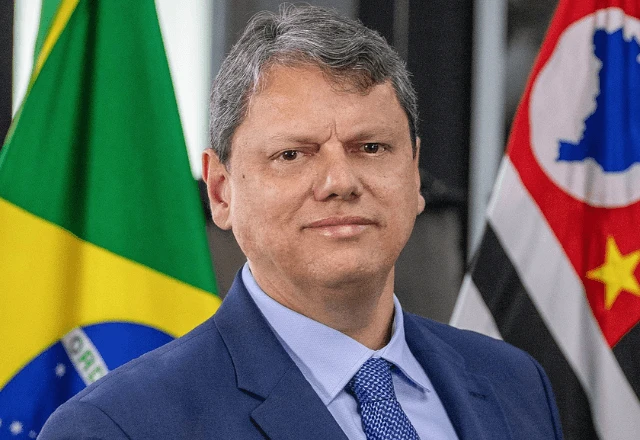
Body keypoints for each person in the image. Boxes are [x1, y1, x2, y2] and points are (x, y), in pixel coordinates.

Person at [40, 5, 563, 439]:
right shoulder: (118, 426)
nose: (340, 181)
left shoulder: (516, 384)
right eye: (292, 154)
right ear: (221, 191)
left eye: (371, 147)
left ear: (414, 174)